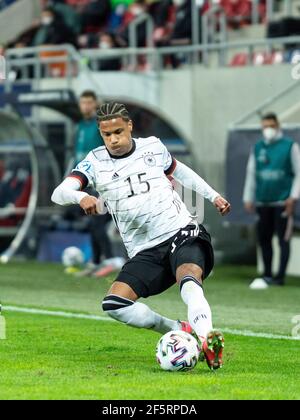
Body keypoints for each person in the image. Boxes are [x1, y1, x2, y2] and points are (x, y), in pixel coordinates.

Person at [51, 102, 231, 370]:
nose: (113, 139)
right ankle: (176, 328)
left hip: (181, 232)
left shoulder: (153, 147)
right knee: (114, 304)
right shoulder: (94, 162)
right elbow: (59, 193)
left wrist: (213, 196)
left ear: (130, 127)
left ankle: (208, 342)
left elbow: (180, 172)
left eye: (118, 132)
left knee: (190, 280)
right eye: (107, 134)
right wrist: (81, 196)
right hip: (145, 251)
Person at [243, 113, 300, 286]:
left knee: (283, 239)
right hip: (262, 201)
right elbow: (251, 174)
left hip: (282, 202)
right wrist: (248, 197)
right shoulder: (258, 147)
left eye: (271, 125)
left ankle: (279, 277)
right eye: (265, 126)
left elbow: (298, 173)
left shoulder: (290, 146)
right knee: (264, 239)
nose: (268, 129)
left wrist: (293, 197)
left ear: (277, 126)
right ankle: (267, 274)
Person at [74, 91, 113, 273]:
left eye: (89, 103)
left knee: (98, 223)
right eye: (83, 103)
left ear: (95, 104)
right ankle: (96, 262)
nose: (86, 106)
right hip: (85, 183)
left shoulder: (101, 126)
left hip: (102, 182)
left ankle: (109, 260)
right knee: (92, 222)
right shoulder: (80, 126)